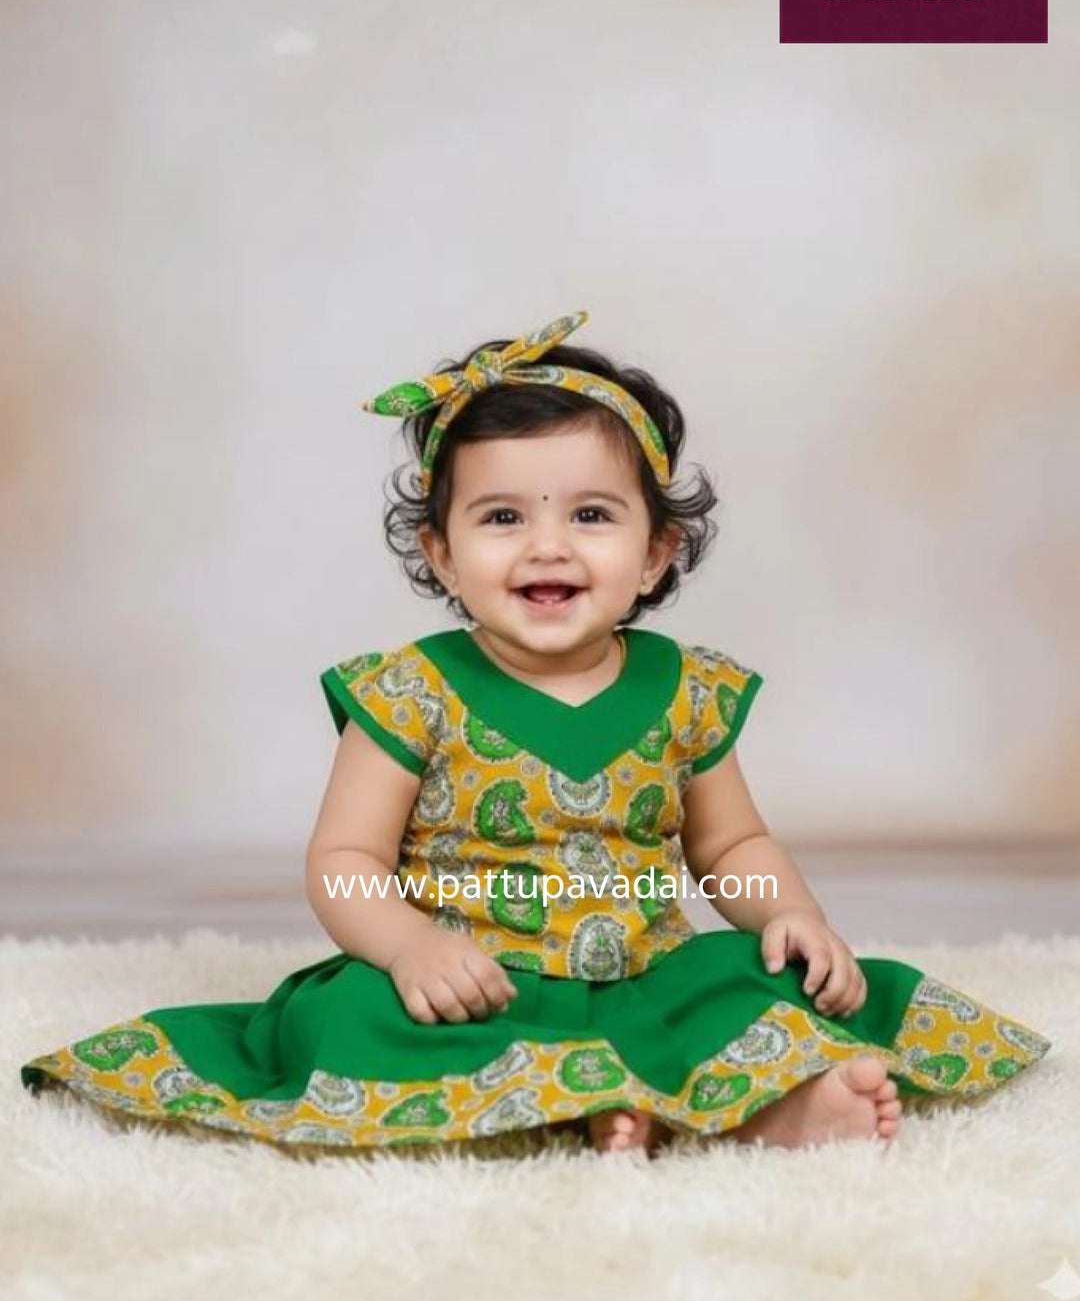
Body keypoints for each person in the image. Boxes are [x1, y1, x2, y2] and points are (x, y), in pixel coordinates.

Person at [20, 310, 1052, 1159]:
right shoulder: (412, 694)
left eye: (593, 516)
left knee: (758, 985)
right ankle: (603, 1106)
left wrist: (792, 913)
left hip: (644, 970)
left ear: (657, 553)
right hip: (477, 981)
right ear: (440, 549)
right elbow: (344, 861)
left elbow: (729, 847)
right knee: (348, 1022)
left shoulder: (686, 692)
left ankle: (764, 1108)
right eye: (502, 518)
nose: (547, 544)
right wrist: (412, 945)